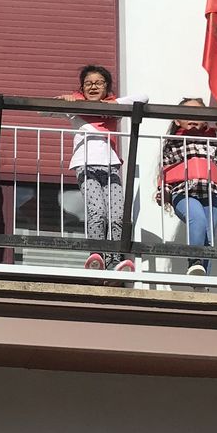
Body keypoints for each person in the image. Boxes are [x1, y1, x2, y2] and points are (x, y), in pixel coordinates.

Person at [55, 65, 146, 275]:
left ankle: (115, 261)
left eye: (98, 83)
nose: (93, 87)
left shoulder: (114, 110)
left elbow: (144, 97)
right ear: (81, 87)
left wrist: (113, 103)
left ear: (107, 87)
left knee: (117, 215)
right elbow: (45, 110)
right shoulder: (76, 108)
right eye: (88, 83)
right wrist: (69, 100)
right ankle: (96, 255)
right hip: (85, 165)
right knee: (97, 212)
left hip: (111, 166)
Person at [156, 97, 217, 276]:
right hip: (183, 191)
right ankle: (194, 262)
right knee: (197, 219)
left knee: (208, 235)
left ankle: (202, 281)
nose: (192, 118)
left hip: (211, 193)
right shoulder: (173, 141)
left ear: (205, 119)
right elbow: (166, 169)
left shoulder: (212, 139)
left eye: (197, 113)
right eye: (186, 114)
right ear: (177, 121)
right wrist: (163, 192)